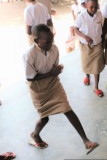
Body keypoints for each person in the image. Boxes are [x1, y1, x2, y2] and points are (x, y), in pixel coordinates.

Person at [23, 24, 98, 153]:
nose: (51, 43)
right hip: (38, 89)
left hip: (53, 83)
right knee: (44, 118)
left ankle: (86, 141)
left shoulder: (54, 48)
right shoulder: (29, 54)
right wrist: (50, 73)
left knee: (67, 109)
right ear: (36, 41)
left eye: (52, 39)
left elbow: (53, 67)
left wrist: (56, 71)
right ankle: (35, 135)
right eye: (47, 41)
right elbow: (30, 77)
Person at [74, 0, 105, 97]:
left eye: (96, 7)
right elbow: (76, 29)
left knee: (97, 67)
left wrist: (103, 40)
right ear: (86, 5)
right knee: (86, 64)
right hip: (85, 45)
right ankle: (87, 76)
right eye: (91, 7)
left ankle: (96, 87)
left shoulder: (99, 14)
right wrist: (84, 37)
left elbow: (102, 28)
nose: (93, 9)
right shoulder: (81, 16)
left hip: (97, 44)